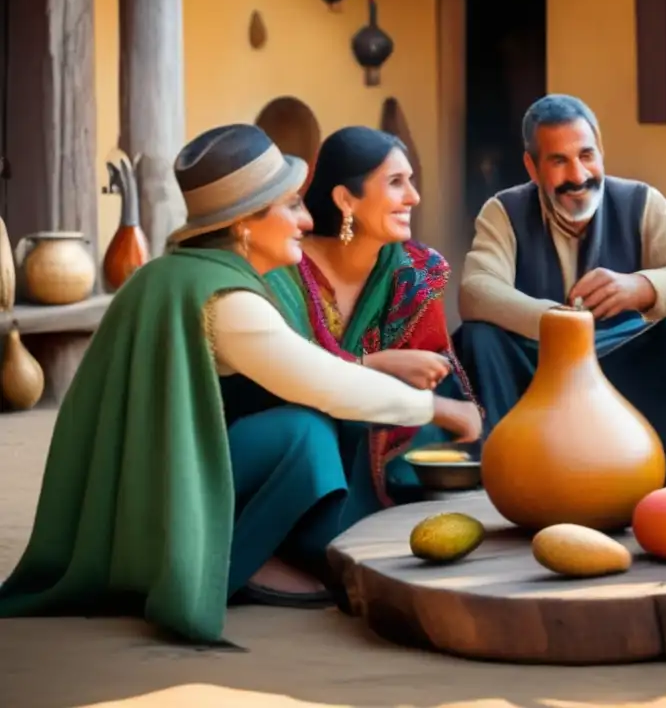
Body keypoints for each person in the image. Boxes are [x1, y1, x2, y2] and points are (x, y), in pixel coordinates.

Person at [0, 124, 481, 644]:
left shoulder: (184, 273)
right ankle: (233, 563)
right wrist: (438, 410)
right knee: (302, 433)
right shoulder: (227, 300)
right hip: (159, 499)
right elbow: (325, 383)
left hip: (147, 480)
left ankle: (266, 550)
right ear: (247, 224)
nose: (304, 219)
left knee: (308, 435)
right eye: (291, 205)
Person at [221, 125, 480, 532]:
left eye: (410, 182)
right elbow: (273, 382)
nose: (413, 197)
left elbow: (438, 377)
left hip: (390, 434)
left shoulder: (416, 271)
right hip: (289, 438)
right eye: (396, 183)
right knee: (316, 424)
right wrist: (374, 364)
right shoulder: (281, 267)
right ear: (346, 199)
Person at [454, 94, 666, 484]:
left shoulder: (640, 202)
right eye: (559, 161)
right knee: (480, 337)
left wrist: (641, 287)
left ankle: (651, 476)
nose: (579, 175)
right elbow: (476, 290)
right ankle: (512, 477)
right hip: (537, 372)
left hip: (621, 367)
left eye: (586, 155)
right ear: (532, 167)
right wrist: (557, 321)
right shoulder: (504, 211)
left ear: (602, 151)